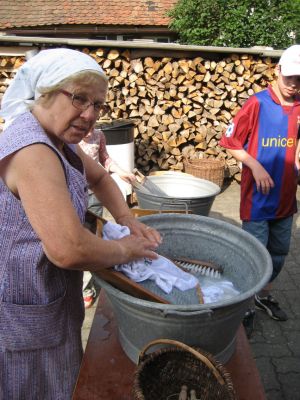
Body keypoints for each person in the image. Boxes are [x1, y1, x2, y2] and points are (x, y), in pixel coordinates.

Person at [0, 48, 161, 400]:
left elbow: (102, 179)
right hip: (25, 305)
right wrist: (125, 250)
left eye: (97, 105)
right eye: (79, 99)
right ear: (45, 91)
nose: (89, 115)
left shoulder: (57, 140)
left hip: (49, 296)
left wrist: (126, 220)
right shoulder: (33, 151)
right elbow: (68, 249)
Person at [220, 44, 300, 336]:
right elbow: (229, 141)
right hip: (257, 200)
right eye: (290, 77)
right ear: (277, 71)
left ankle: (262, 296)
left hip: (286, 199)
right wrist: (254, 165)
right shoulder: (257, 103)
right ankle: (245, 306)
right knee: (253, 254)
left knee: (278, 253)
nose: (294, 84)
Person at [79, 128, 136, 308]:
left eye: (91, 128)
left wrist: (120, 171)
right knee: (77, 240)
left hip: (94, 196)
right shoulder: (70, 135)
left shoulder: (99, 135)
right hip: (73, 196)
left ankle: (89, 284)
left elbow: (105, 159)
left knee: (93, 238)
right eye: (84, 130)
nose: (88, 133)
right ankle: (79, 283)